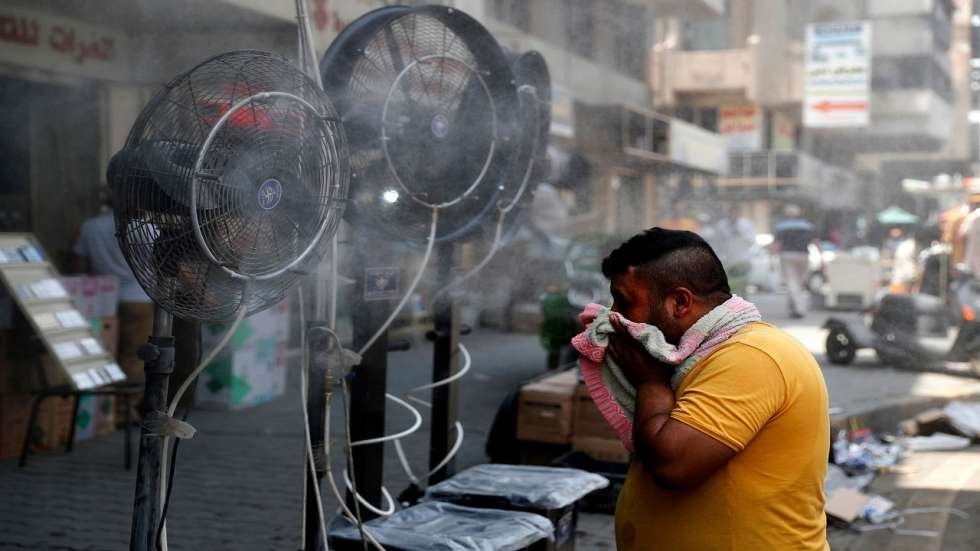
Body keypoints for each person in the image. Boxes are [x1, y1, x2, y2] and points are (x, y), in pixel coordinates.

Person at [602, 228, 829, 550]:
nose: (614, 316)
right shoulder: (701, 355)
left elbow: (672, 465)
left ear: (680, 302)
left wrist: (650, 382)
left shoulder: (752, 356)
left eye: (625, 302)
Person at [73, 190, 154, 384]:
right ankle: (128, 399)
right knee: (134, 354)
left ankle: (105, 398)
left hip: (101, 301)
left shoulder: (90, 227)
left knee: (102, 352)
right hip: (138, 299)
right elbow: (159, 262)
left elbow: (79, 265)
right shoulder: (145, 228)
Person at [773, 204, 816, 319]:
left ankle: (799, 309)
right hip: (803, 255)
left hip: (787, 256)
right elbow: (815, 241)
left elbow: (777, 244)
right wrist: (821, 257)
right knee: (799, 283)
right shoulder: (807, 226)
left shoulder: (781, 227)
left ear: (787, 214)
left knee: (792, 283)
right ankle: (794, 306)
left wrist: (772, 258)